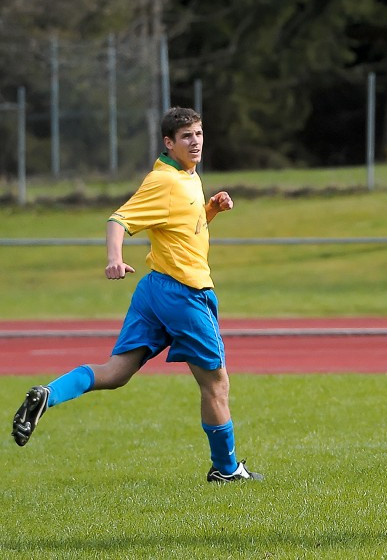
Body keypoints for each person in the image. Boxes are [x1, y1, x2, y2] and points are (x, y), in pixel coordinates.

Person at [11, 107, 262, 483]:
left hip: (156, 289)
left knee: (115, 373)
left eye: (198, 134)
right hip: (183, 294)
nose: (195, 142)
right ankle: (226, 470)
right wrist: (115, 258)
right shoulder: (164, 181)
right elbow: (118, 220)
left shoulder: (187, 175)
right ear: (168, 143)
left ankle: (48, 394)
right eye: (186, 137)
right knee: (215, 382)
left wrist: (210, 210)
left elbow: (179, 226)